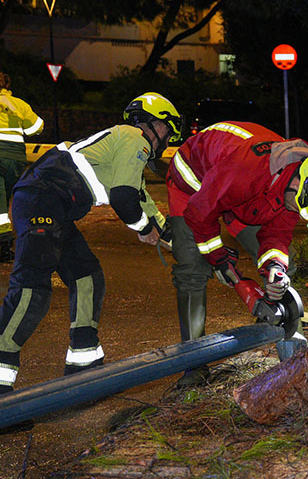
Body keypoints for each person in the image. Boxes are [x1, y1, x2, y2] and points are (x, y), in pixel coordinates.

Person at [0, 92, 181, 394]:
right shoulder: (135, 138)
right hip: (42, 201)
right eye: (168, 130)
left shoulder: (126, 146)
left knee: (88, 277)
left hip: (51, 206)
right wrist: (143, 228)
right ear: (154, 123)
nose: (167, 138)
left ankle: (83, 367)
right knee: (31, 291)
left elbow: (141, 201)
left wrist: (184, 245)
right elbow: (124, 200)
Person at [166, 121, 308, 388]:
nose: (296, 213)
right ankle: (194, 366)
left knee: (288, 262)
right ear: (298, 181)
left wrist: (275, 268)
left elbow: (276, 236)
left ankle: (284, 339)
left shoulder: (295, 186)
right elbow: (201, 211)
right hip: (194, 184)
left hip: (245, 197)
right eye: (297, 206)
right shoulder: (248, 170)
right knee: (192, 270)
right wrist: (218, 258)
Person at [0, 72, 44, 261]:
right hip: (15, 158)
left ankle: (3, 244)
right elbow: (36, 128)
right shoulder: (19, 104)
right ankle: (5, 243)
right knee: (4, 199)